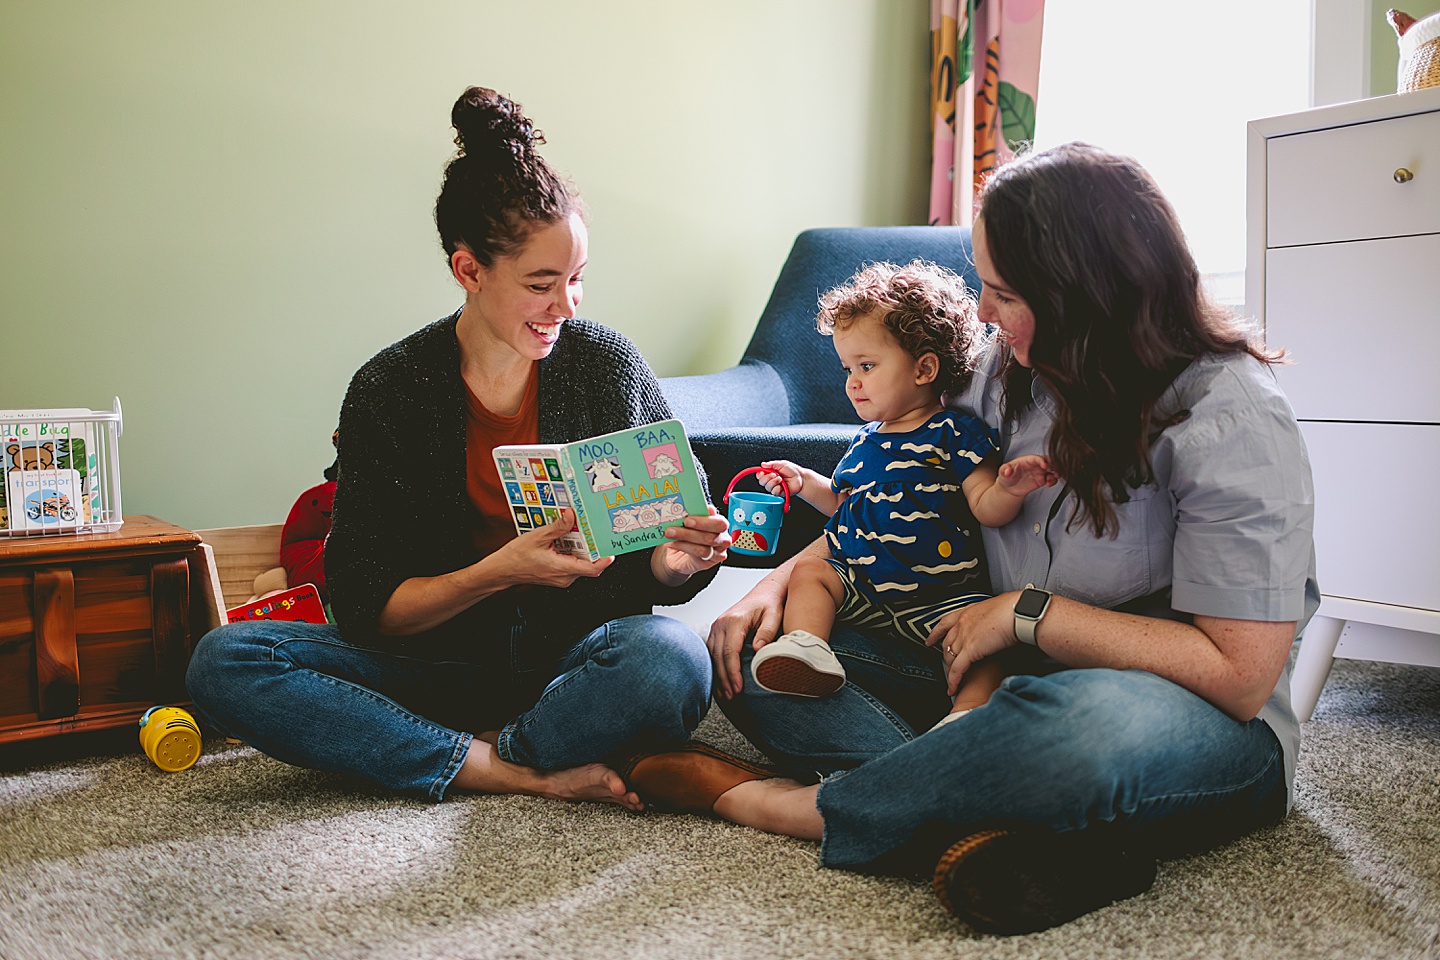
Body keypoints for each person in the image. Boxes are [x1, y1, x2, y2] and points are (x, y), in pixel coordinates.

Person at [620, 142, 1317, 936]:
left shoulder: (1230, 417)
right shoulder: (1007, 369)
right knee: (757, 652)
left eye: (1003, 292)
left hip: (1173, 711)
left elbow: (1237, 676)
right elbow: (895, 491)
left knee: (1064, 727)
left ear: (1087, 295)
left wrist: (1029, 614)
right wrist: (788, 574)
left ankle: (792, 805)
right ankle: (1003, 813)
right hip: (978, 658)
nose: (982, 313)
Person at [186, 86, 730, 808]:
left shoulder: (607, 365)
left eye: (576, 281)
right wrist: (496, 571)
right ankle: (509, 769)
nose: (566, 307)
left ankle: (455, 750)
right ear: (469, 270)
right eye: (542, 284)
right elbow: (370, 608)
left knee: (671, 660)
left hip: (572, 661)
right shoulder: (391, 387)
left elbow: (665, 562)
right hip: (432, 665)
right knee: (227, 662)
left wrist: (675, 561)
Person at [747, 260, 1056, 724]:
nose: (852, 381)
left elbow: (986, 508)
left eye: (867, 366)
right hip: (866, 592)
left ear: (924, 368)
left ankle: (968, 716)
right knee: (811, 572)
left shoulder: (953, 431)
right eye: (848, 367)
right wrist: (805, 483)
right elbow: (844, 507)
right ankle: (807, 646)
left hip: (942, 600)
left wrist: (1010, 488)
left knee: (987, 646)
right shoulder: (864, 443)